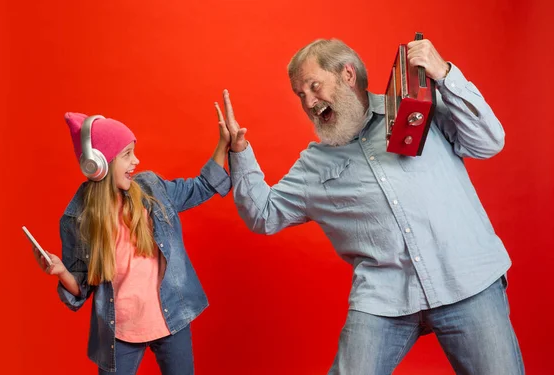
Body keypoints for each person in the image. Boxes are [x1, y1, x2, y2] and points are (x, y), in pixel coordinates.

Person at [215, 38, 524, 374]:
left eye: (313, 86)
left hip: (465, 278)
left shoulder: (419, 108)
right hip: (384, 298)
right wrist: (239, 151)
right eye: (300, 95)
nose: (308, 102)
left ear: (347, 74)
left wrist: (445, 74)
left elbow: (489, 142)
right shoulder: (315, 163)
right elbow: (264, 214)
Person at [31, 112, 231, 374]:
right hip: (119, 331)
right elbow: (81, 288)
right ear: (99, 164)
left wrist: (223, 144)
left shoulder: (151, 188)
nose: (135, 161)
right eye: (127, 154)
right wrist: (62, 273)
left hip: (171, 318)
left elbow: (202, 186)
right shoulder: (77, 219)